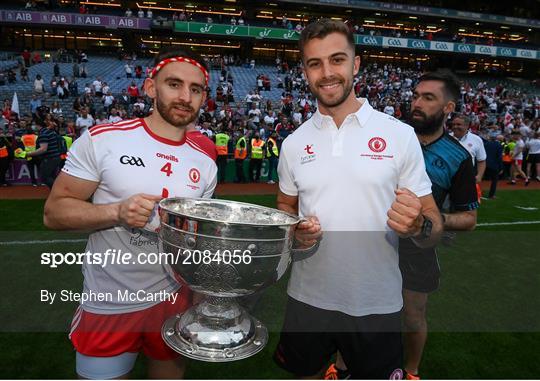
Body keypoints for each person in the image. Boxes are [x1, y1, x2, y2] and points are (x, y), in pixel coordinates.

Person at [274, 19, 443, 379]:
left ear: (356, 64)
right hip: (308, 298)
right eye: (314, 63)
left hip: (376, 301)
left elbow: (433, 226)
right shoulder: (292, 143)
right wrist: (294, 230)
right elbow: (285, 207)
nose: (327, 72)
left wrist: (416, 225)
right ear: (304, 71)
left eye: (337, 59)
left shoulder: (398, 135)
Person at [43, 47, 217, 379]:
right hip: (110, 301)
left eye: (196, 89)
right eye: (174, 84)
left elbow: (194, 239)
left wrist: (203, 296)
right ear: (151, 87)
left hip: (174, 299)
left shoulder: (205, 159)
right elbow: (54, 213)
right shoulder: (103, 140)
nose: (185, 96)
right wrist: (117, 212)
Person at [450, 114, 486, 200]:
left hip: (467, 179)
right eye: (453, 124)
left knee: (466, 208)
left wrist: (479, 176)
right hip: (447, 178)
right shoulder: (446, 138)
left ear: (467, 126)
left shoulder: (476, 140)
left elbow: (481, 160)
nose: (455, 127)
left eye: (458, 124)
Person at [25, 119, 63, 188]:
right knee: (52, 177)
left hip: (50, 159)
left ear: (37, 125)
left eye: (33, 124)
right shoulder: (50, 132)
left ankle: (58, 191)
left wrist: (28, 154)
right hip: (56, 157)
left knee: (44, 177)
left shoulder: (43, 134)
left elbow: (43, 149)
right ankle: (56, 194)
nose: (32, 127)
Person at [483, 133, 504, 198]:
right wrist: (501, 167)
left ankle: (475, 193)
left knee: (479, 178)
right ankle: (491, 195)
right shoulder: (499, 145)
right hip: (494, 165)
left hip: (484, 163)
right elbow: (499, 157)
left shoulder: (486, 144)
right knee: (494, 180)